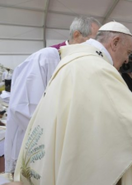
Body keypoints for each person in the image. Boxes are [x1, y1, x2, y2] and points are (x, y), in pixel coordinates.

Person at [13, 21, 132, 185]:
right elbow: (126, 121)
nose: (126, 60)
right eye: (128, 53)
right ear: (114, 42)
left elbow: (107, 113)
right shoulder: (99, 68)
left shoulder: (72, 61)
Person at [4, 16, 101, 173]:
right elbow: (24, 108)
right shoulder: (48, 57)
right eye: (92, 41)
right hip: (39, 146)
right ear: (76, 35)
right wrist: (62, 136)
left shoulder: (85, 63)